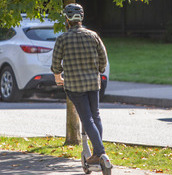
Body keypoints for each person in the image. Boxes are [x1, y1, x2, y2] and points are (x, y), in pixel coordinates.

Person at [51, 3, 108, 164]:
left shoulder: (63, 38)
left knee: (87, 118)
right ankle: (98, 152)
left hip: (75, 86)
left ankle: (100, 152)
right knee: (95, 115)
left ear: (67, 20)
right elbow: (103, 57)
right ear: (81, 18)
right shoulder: (93, 35)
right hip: (93, 84)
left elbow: (56, 62)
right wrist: (100, 69)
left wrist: (58, 77)